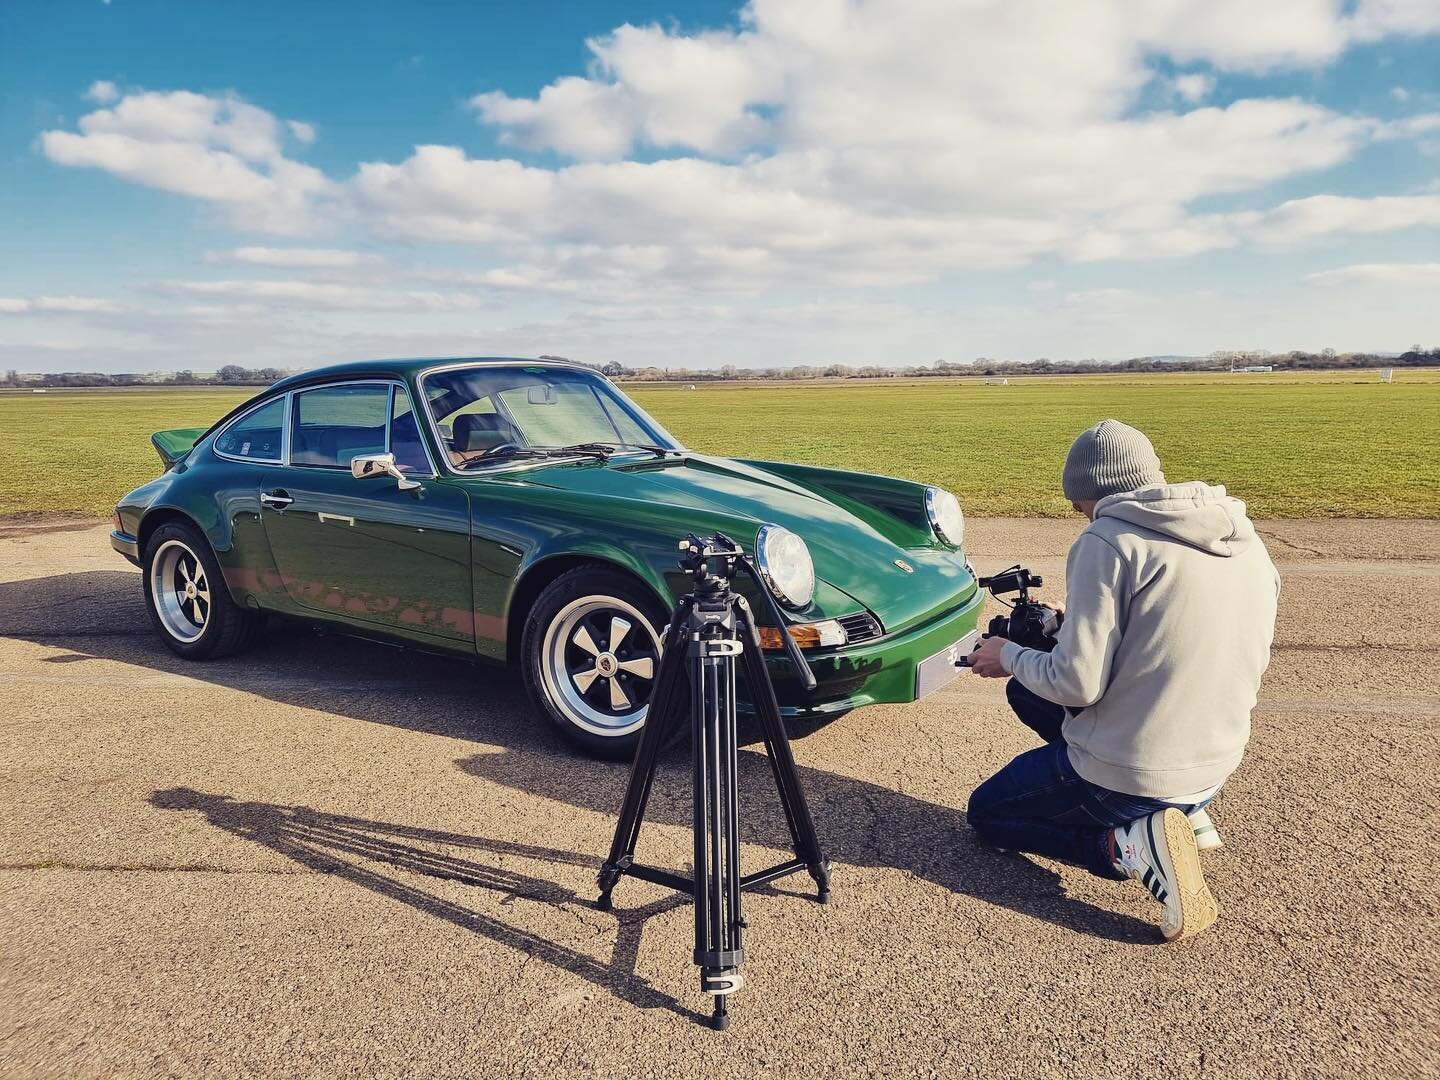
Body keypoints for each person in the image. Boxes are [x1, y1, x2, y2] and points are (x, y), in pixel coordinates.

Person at [965, 419, 1280, 941]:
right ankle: (1189, 811)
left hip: (1137, 770)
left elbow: (1076, 685)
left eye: (1077, 502)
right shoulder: (1242, 536)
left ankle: (1128, 844)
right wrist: (1077, 628)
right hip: (1216, 757)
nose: (1076, 513)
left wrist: (1010, 654)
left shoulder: (1107, 541)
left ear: (1091, 492)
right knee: (1026, 694)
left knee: (988, 815)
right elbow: (1181, 638)